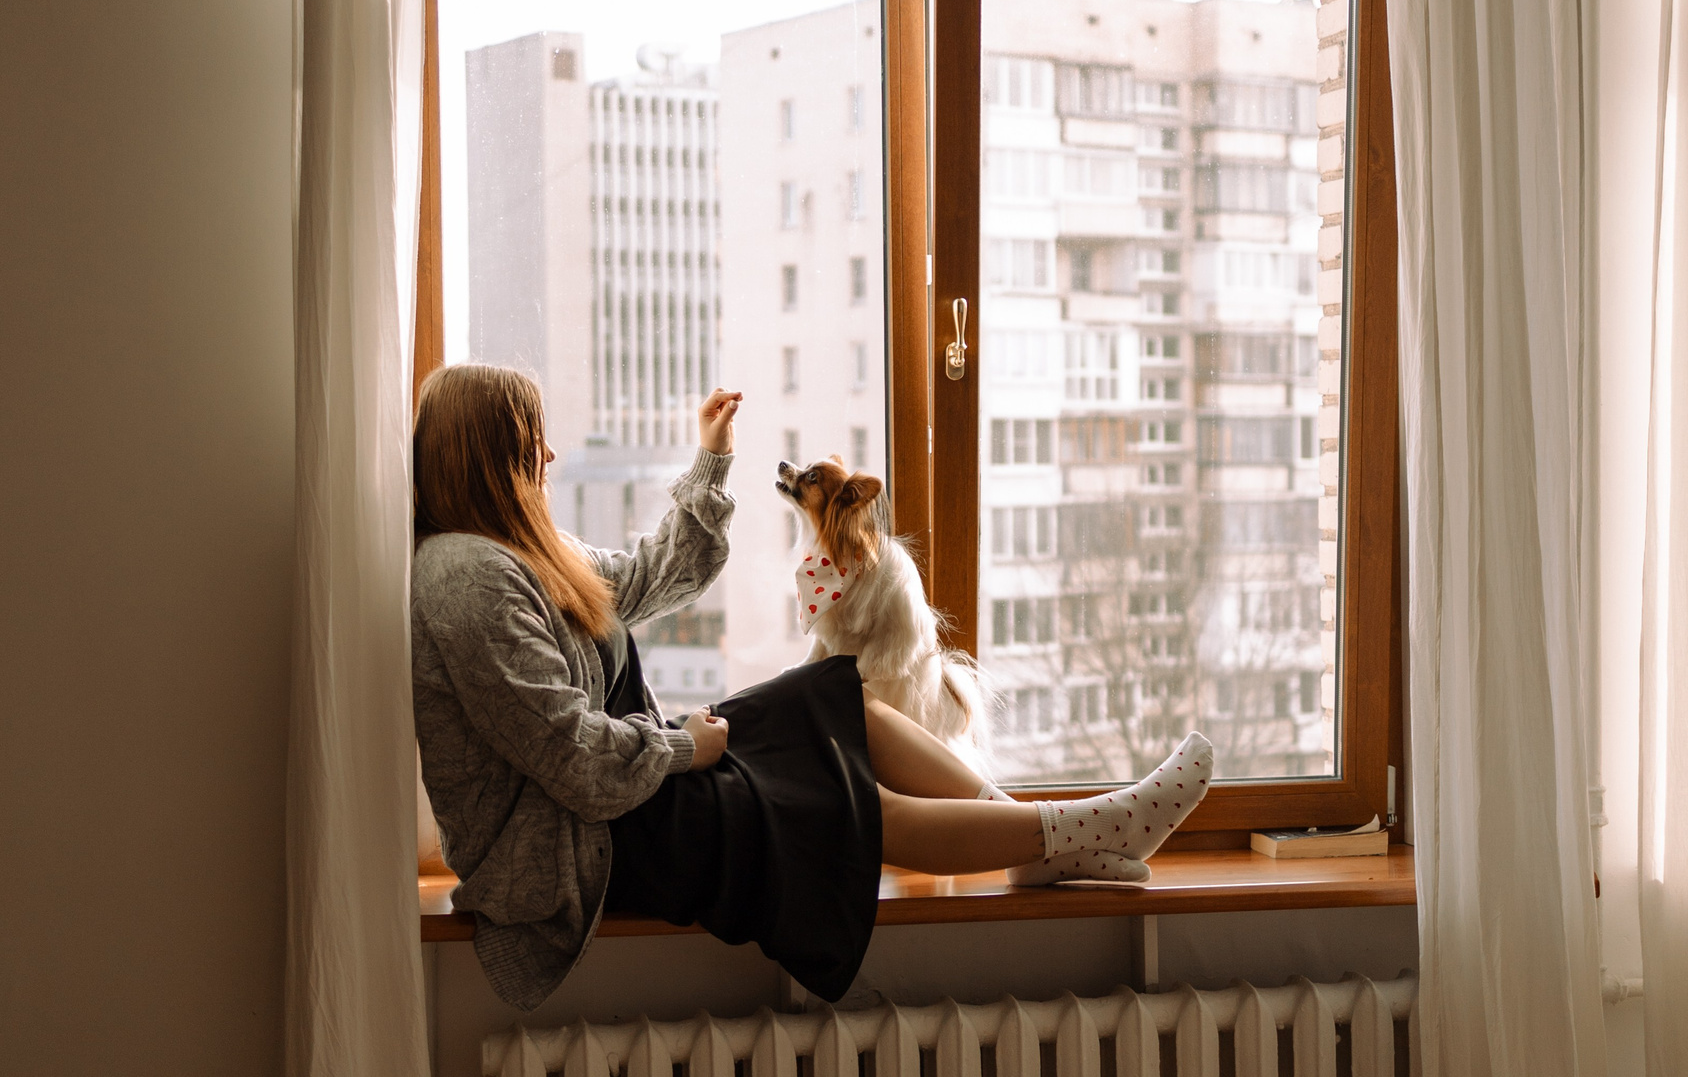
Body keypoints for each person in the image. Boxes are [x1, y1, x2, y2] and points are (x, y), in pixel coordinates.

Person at [411, 363, 1214, 1012]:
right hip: (594, 839)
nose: (550, 456)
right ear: (487, 456)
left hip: (638, 783)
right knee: (840, 794)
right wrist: (686, 746)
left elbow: (655, 576)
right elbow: (569, 756)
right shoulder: (468, 578)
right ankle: (1093, 825)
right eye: (533, 441)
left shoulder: (525, 551)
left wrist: (712, 457)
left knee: (840, 695)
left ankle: (1038, 843)